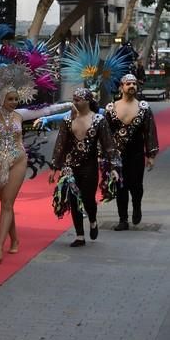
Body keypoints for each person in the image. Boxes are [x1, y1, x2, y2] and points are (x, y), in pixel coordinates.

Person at [0, 65, 72, 264]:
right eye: (10, 99)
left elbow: (46, 109)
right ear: (2, 98)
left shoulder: (21, 114)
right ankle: (15, 239)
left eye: (15, 99)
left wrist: (68, 105)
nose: (13, 102)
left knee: (7, 203)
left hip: (18, 160)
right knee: (6, 204)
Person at [49, 88, 121, 246]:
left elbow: (109, 145)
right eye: (73, 99)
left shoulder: (99, 120)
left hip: (89, 166)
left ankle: (93, 220)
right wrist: (55, 167)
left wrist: (114, 167)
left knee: (88, 198)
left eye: (78, 99)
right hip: (70, 167)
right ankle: (80, 235)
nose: (74, 102)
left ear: (88, 101)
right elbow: (60, 145)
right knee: (74, 199)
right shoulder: (68, 120)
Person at [104, 74, 159, 230]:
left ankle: (137, 207)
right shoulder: (111, 108)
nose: (132, 86)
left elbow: (150, 131)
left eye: (134, 83)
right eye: (128, 83)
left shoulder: (143, 108)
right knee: (120, 186)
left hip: (136, 153)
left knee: (136, 186)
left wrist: (151, 155)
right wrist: (104, 155)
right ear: (121, 86)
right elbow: (105, 134)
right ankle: (123, 219)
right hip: (117, 155)